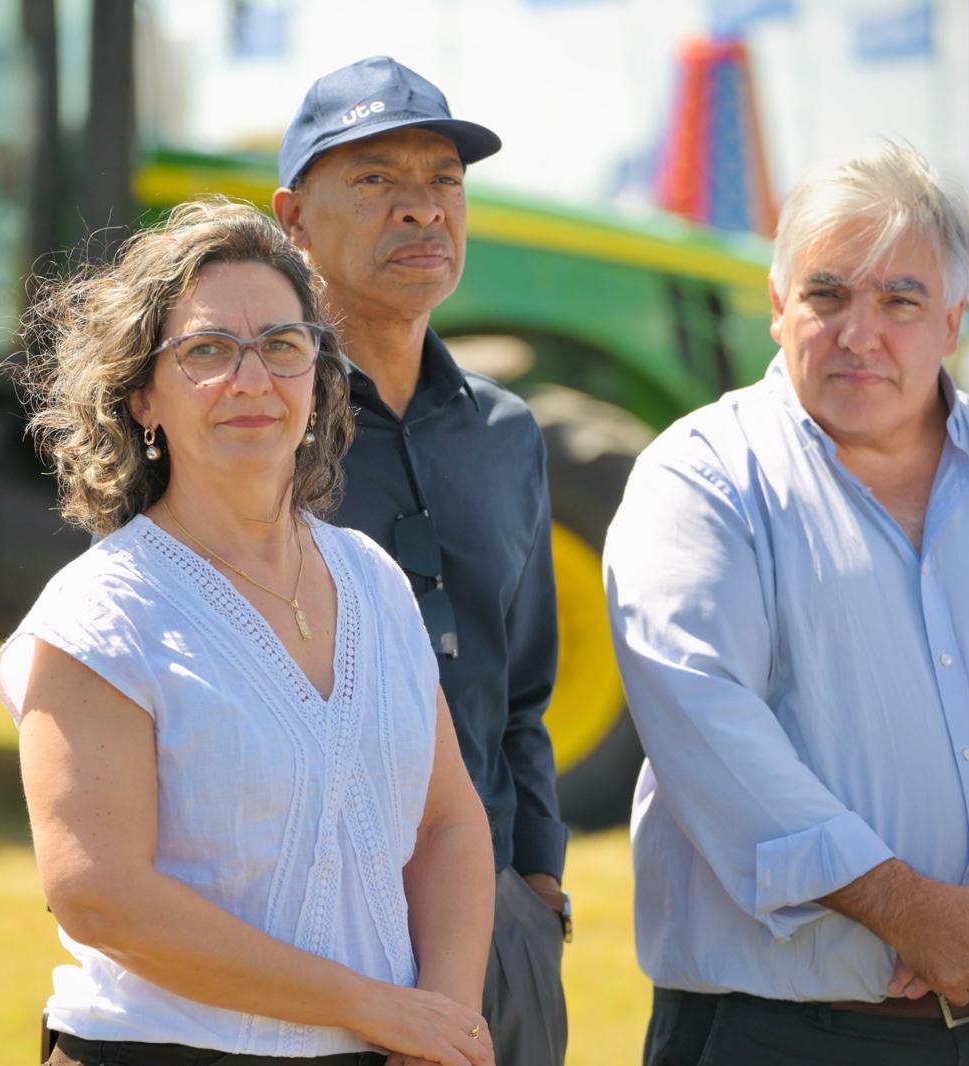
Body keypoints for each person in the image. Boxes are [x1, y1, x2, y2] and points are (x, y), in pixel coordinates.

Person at [604, 142, 969, 1065]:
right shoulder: (701, 480)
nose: (859, 333)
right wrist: (912, 912)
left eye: (901, 300)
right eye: (827, 294)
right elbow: (708, 724)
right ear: (776, 306)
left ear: (954, 318)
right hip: (785, 1036)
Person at [0, 199, 498, 1066]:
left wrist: (441, 1019)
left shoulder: (374, 583)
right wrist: (372, 1006)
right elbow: (100, 897)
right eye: (207, 351)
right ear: (142, 395)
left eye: (282, 346)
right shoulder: (105, 612)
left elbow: (448, 823)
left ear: (318, 376)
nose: (252, 380)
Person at [271, 57, 569, 1066]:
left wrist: (536, 889)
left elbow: (521, 689)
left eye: (444, 180)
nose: (421, 210)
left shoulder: (507, 432)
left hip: (494, 930)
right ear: (292, 218)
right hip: (300, 940)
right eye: (374, 180)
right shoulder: (246, 427)